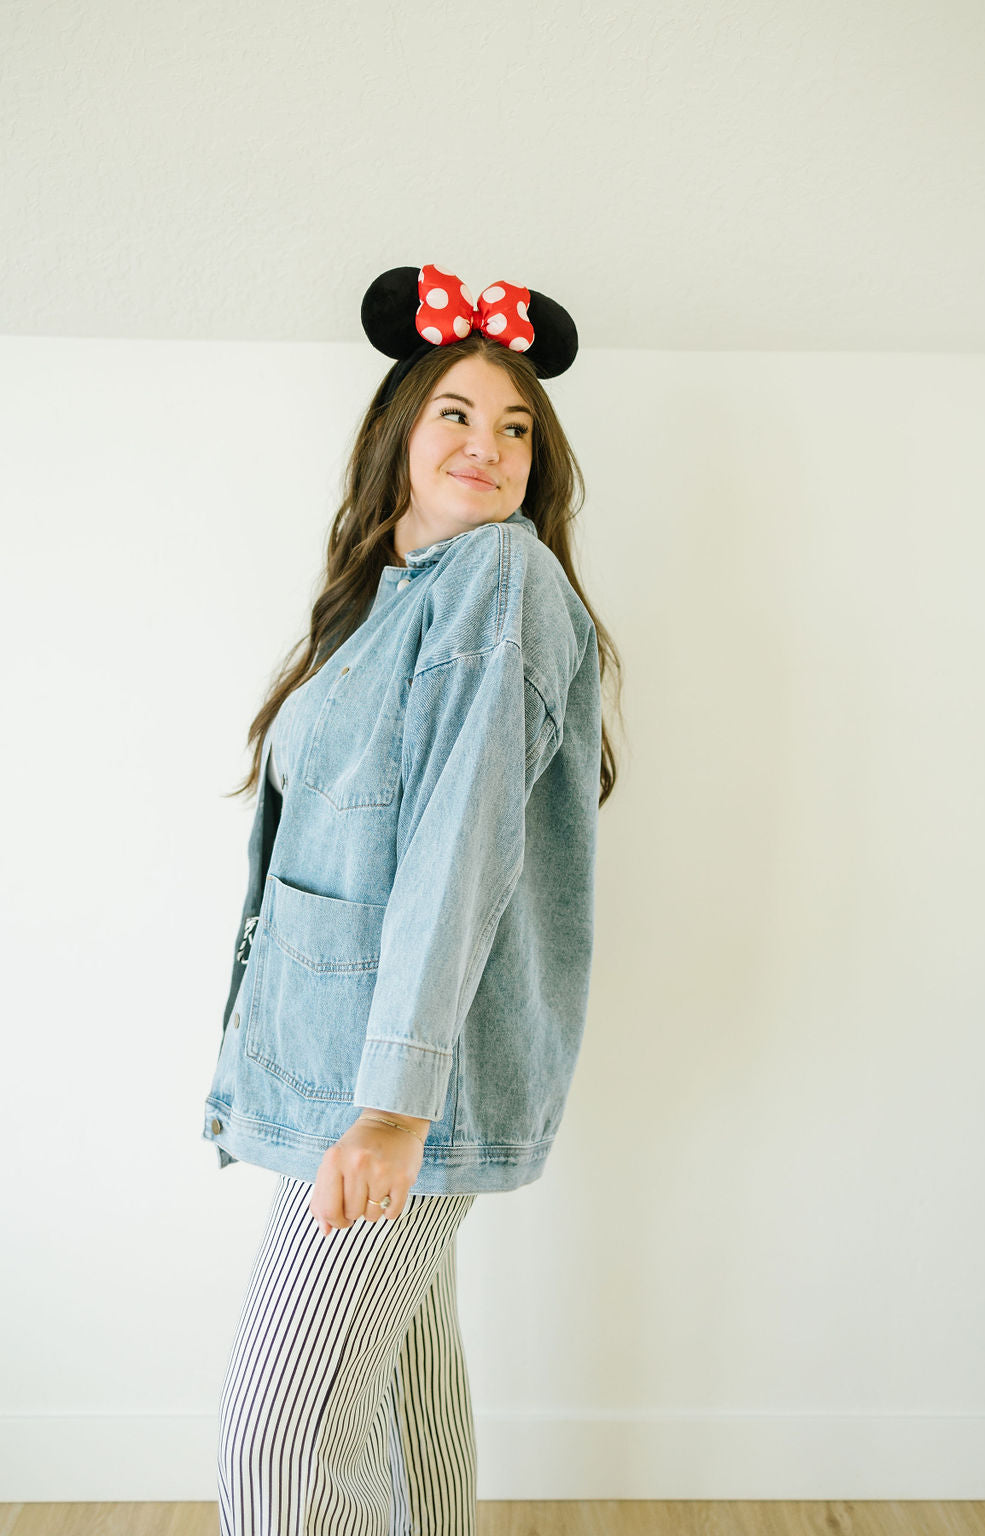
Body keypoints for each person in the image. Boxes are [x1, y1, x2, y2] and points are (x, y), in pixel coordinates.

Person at [206, 263, 621, 1535]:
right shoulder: (391, 599)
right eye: (457, 411)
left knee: (279, 1434)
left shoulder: (499, 582)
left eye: (516, 428)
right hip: (348, 1065)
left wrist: (394, 1104)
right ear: (398, 431)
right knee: (399, 1404)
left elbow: (459, 848)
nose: (488, 444)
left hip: (387, 1081)